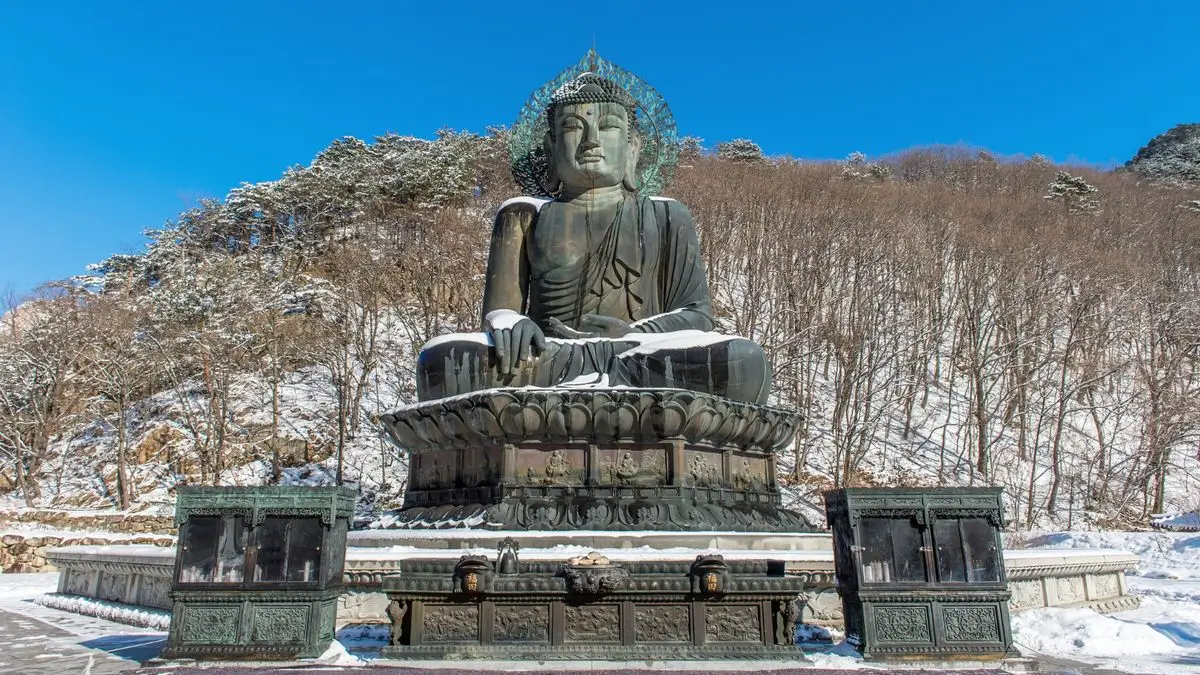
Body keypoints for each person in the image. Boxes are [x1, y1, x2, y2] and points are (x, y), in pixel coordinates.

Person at [416, 72, 770, 403]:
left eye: (608, 126)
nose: (591, 141)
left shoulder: (666, 215)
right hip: (549, 357)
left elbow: (697, 314)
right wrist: (512, 324)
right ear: (551, 147)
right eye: (573, 127)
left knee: (744, 361)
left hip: (638, 354)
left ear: (633, 147)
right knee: (441, 362)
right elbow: (501, 311)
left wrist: (636, 333)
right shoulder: (523, 214)